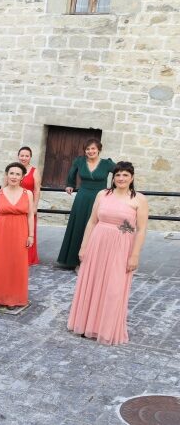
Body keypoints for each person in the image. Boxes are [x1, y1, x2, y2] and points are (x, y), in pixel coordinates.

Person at [67, 162, 148, 345]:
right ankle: (86, 325)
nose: (121, 178)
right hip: (97, 243)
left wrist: (135, 255)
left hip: (121, 246)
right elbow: (92, 221)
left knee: (114, 288)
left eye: (125, 175)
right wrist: (83, 247)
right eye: (118, 175)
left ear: (132, 178)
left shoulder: (139, 199)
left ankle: (105, 328)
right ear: (113, 177)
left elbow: (141, 229)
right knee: (92, 283)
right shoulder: (102, 194)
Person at [0, 163, 35, 309]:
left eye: (17, 174)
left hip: (20, 232)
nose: (14, 177)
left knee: (16, 265)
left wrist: (31, 235)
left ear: (22, 177)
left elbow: (30, 215)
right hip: (0, 232)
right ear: (7, 175)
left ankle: (12, 298)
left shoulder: (28, 194)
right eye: (11, 173)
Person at [58, 139, 116, 269]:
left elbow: (120, 173)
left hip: (100, 197)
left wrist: (116, 189)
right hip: (82, 197)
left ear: (99, 150)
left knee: (96, 228)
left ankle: (94, 262)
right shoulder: (80, 161)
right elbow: (72, 173)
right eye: (88, 149)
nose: (90, 151)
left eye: (93, 148)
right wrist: (70, 184)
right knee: (79, 226)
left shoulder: (107, 163)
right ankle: (77, 262)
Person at [17, 146, 41, 265]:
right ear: (18, 156)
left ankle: (27, 257)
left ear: (30, 157)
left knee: (28, 231)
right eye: (22, 155)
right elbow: (4, 187)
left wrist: (35, 206)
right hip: (14, 204)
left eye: (26, 156)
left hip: (28, 206)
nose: (24, 158)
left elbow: (37, 190)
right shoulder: (13, 169)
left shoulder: (34, 171)